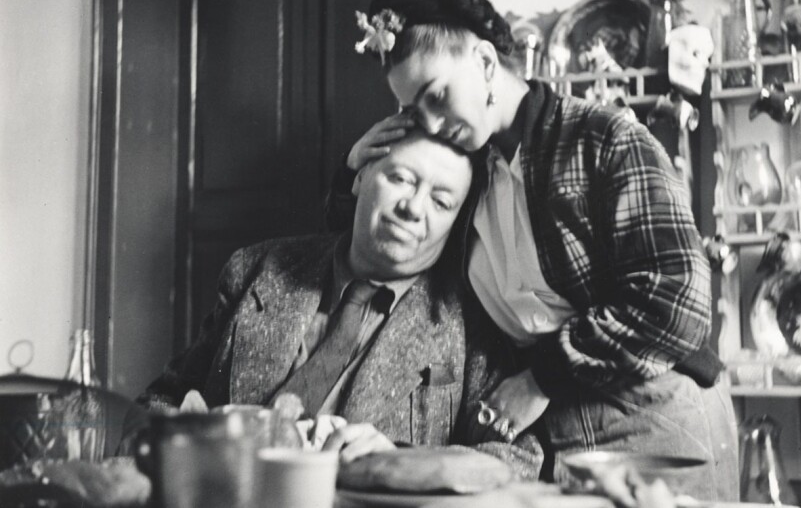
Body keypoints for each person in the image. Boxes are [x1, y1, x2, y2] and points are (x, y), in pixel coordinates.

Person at [338, 0, 738, 501]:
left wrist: (541, 380)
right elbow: (391, 251)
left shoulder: (604, 138)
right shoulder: (468, 176)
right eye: (414, 112)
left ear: (484, 62)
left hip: (656, 414)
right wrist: (356, 173)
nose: (430, 124)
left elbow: (677, 301)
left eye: (437, 96)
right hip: (547, 437)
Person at [138, 129, 542, 478]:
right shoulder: (257, 269)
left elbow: (520, 458)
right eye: (400, 178)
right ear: (361, 176)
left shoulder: (470, 316)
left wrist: (402, 461)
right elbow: (161, 402)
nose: (412, 208)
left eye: (441, 202)